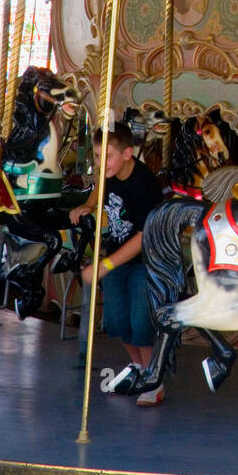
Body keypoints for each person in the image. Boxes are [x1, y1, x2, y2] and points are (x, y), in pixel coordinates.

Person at [69, 123, 165, 406]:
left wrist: (104, 265)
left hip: (145, 260)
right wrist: (89, 205)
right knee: (115, 319)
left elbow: (143, 236)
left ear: (128, 153)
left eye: (107, 156)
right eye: (97, 156)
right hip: (117, 256)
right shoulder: (109, 173)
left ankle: (153, 379)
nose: (101, 163)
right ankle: (136, 367)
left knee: (139, 321)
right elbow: (101, 187)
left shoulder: (143, 183)